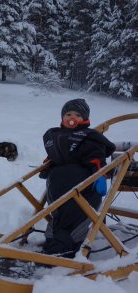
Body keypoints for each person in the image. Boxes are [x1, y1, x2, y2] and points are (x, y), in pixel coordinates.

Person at [40, 98, 116, 258]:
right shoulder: (57, 136)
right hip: (58, 184)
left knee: (75, 212)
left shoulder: (89, 137)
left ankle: (68, 242)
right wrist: (48, 164)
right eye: (68, 114)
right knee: (60, 212)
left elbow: (96, 156)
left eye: (77, 115)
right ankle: (56, 239)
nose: (72, 117)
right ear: (62, 118)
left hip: (82, 184)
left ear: (85, 119)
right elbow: (57, 155)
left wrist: (100, 174)